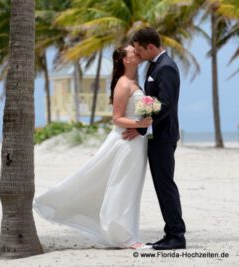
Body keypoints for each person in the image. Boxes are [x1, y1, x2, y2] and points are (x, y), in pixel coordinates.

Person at [33, 44, 152, 249]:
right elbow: (117, 118)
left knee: (131, 188)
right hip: (126, 141)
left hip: (136, 141)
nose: (138, 52)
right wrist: (140, 124)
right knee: (122, 186)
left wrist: (145, 121)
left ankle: (125, 234)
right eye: (133, 52)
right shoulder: (123, 84)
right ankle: (124, 238)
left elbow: (138, 112)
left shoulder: (134, 82)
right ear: (126, 59)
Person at [124, 27, 186, 250]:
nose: (138, 55)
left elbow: (166, 104)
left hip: (163, 135)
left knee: (165, 185)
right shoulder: (156, 65)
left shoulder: (166, 67)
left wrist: (141, 127)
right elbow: (153, 100)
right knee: (161, 186)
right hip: (156, 135)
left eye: (140, 50)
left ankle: (177, 235)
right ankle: (170, 233)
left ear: (150, 47)